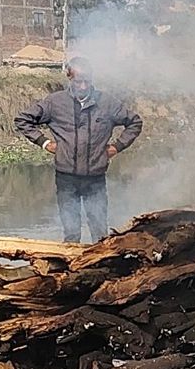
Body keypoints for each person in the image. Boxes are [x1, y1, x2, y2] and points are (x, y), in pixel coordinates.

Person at [15, 57, 143, 243]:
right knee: (72, 233)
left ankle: (101, 268)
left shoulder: (107, 103)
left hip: (95, 178)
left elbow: (135, 122)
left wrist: (117, 146)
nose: (83, 86)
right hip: (67, 178)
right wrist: (44, 143)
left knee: (100, 232)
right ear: (69, 78)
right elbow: (23, 120)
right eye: (78, 82)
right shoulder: (55, 102)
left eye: (87, 81)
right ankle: (70, 270)